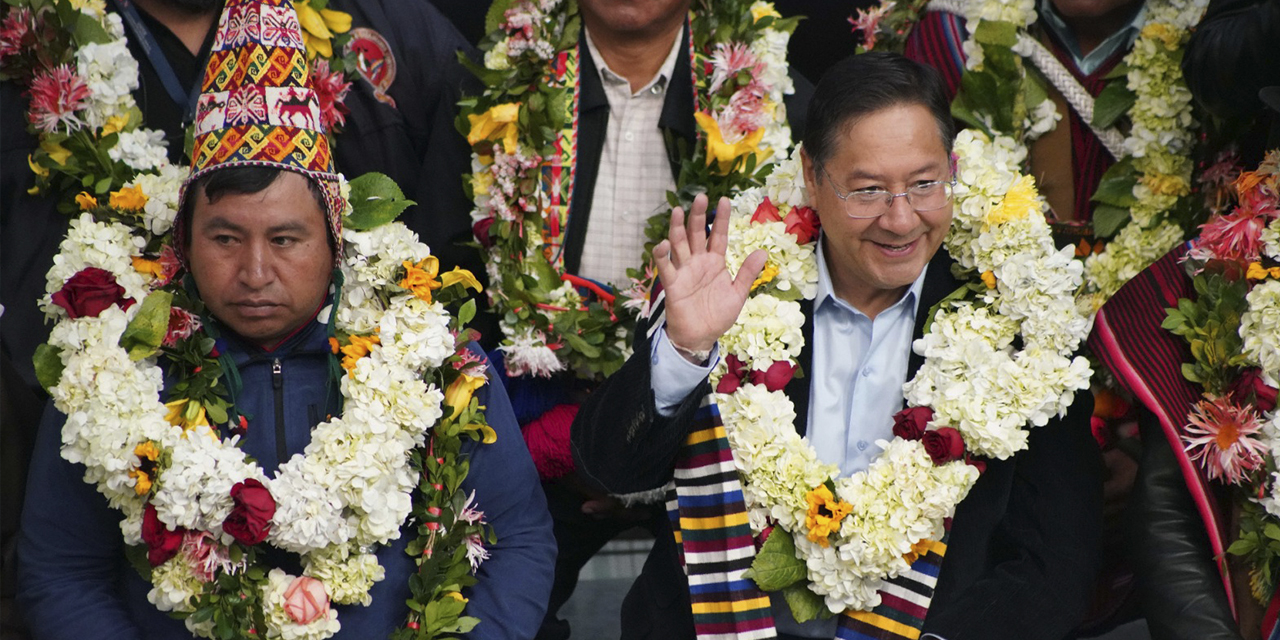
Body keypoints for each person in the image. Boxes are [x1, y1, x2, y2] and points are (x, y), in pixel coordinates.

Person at [16, 0, 554, 637]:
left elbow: (517, 542)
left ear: (336, 239)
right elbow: (61, 573)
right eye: (224, 239)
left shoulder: (431, 356)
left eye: (286, 240)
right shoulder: (112, 370)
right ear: (183, 242)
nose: (254, 272)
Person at [571, 52, 1102, 640]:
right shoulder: (733, 284)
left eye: (925, 184)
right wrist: (685, 349)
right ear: (811, 175)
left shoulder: (1019, 318)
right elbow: (609, 467)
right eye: (868, 190)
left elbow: (1054, 563)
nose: (901, 221)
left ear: (952, 169)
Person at [461, 2, 812, 637]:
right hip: (536, 421)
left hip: (716, 437)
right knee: (478, 610)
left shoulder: (776, 101)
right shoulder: (499, 89)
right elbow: (448, 272)